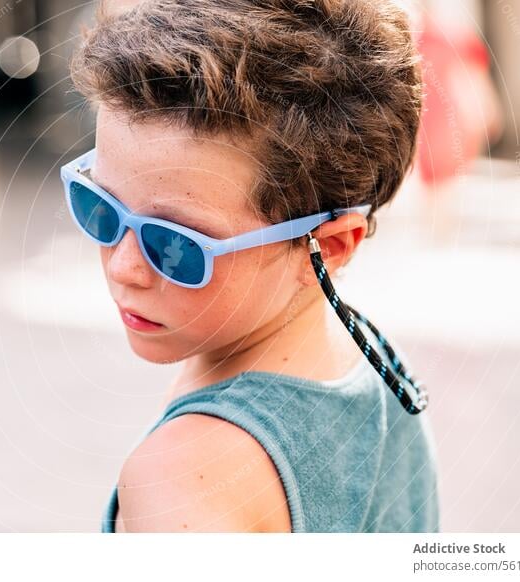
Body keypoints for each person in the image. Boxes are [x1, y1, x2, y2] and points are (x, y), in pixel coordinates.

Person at [64, 0, 440, 532]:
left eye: (177, 245)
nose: (124, 267)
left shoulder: (180, 482)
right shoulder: (374, 360)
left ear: (327, 248)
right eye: (97, 206)